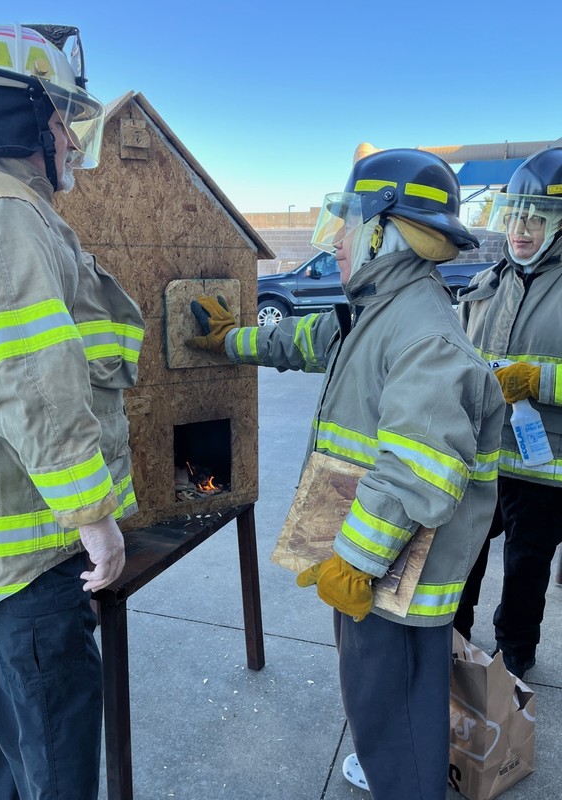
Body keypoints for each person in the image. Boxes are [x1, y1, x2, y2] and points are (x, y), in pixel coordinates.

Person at [186, 149, 504, 800]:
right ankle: (393, 769)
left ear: (386, 231)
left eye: (349, 224)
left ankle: (406, 782)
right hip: (379, 556)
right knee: (377, 693)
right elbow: (307, 342)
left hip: (397, 570)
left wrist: (356, 561)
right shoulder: (382, 309)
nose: (335, 241)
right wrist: (230, 340)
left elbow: (421, 468)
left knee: (396, 703)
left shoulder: (422, 333)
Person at [0, 23, 144, 799]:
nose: (71, 138)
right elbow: (29, 377)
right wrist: (94, 518)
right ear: (21, 114)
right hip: (30, 559)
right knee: (53, 764)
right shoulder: (5, 212)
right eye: (62, 117)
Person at [453, 148, 562, 680]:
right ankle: (452, 635)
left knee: (526, 564)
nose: (519, 229)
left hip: (544, 466)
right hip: (484, 453)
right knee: (463, 548)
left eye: (535, 218)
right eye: (515, 215)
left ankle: (515, 652)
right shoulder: (487, 284)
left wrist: (539, 380)